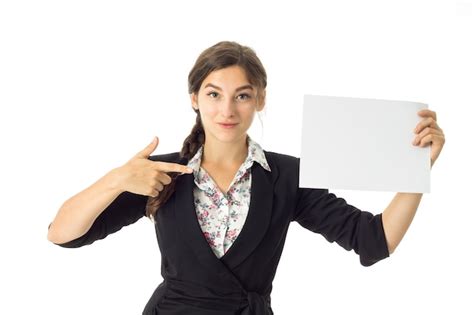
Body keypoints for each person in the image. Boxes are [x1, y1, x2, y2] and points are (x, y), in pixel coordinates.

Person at [47, 40, 446, 315]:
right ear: (194, 99)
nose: (227, 109)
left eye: (242, 95)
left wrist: (418, 168)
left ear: (260, 99)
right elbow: (62, 233)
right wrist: (116, 179)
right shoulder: (162, 173)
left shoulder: (288, 175)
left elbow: (374, 239)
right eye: (213, 93)